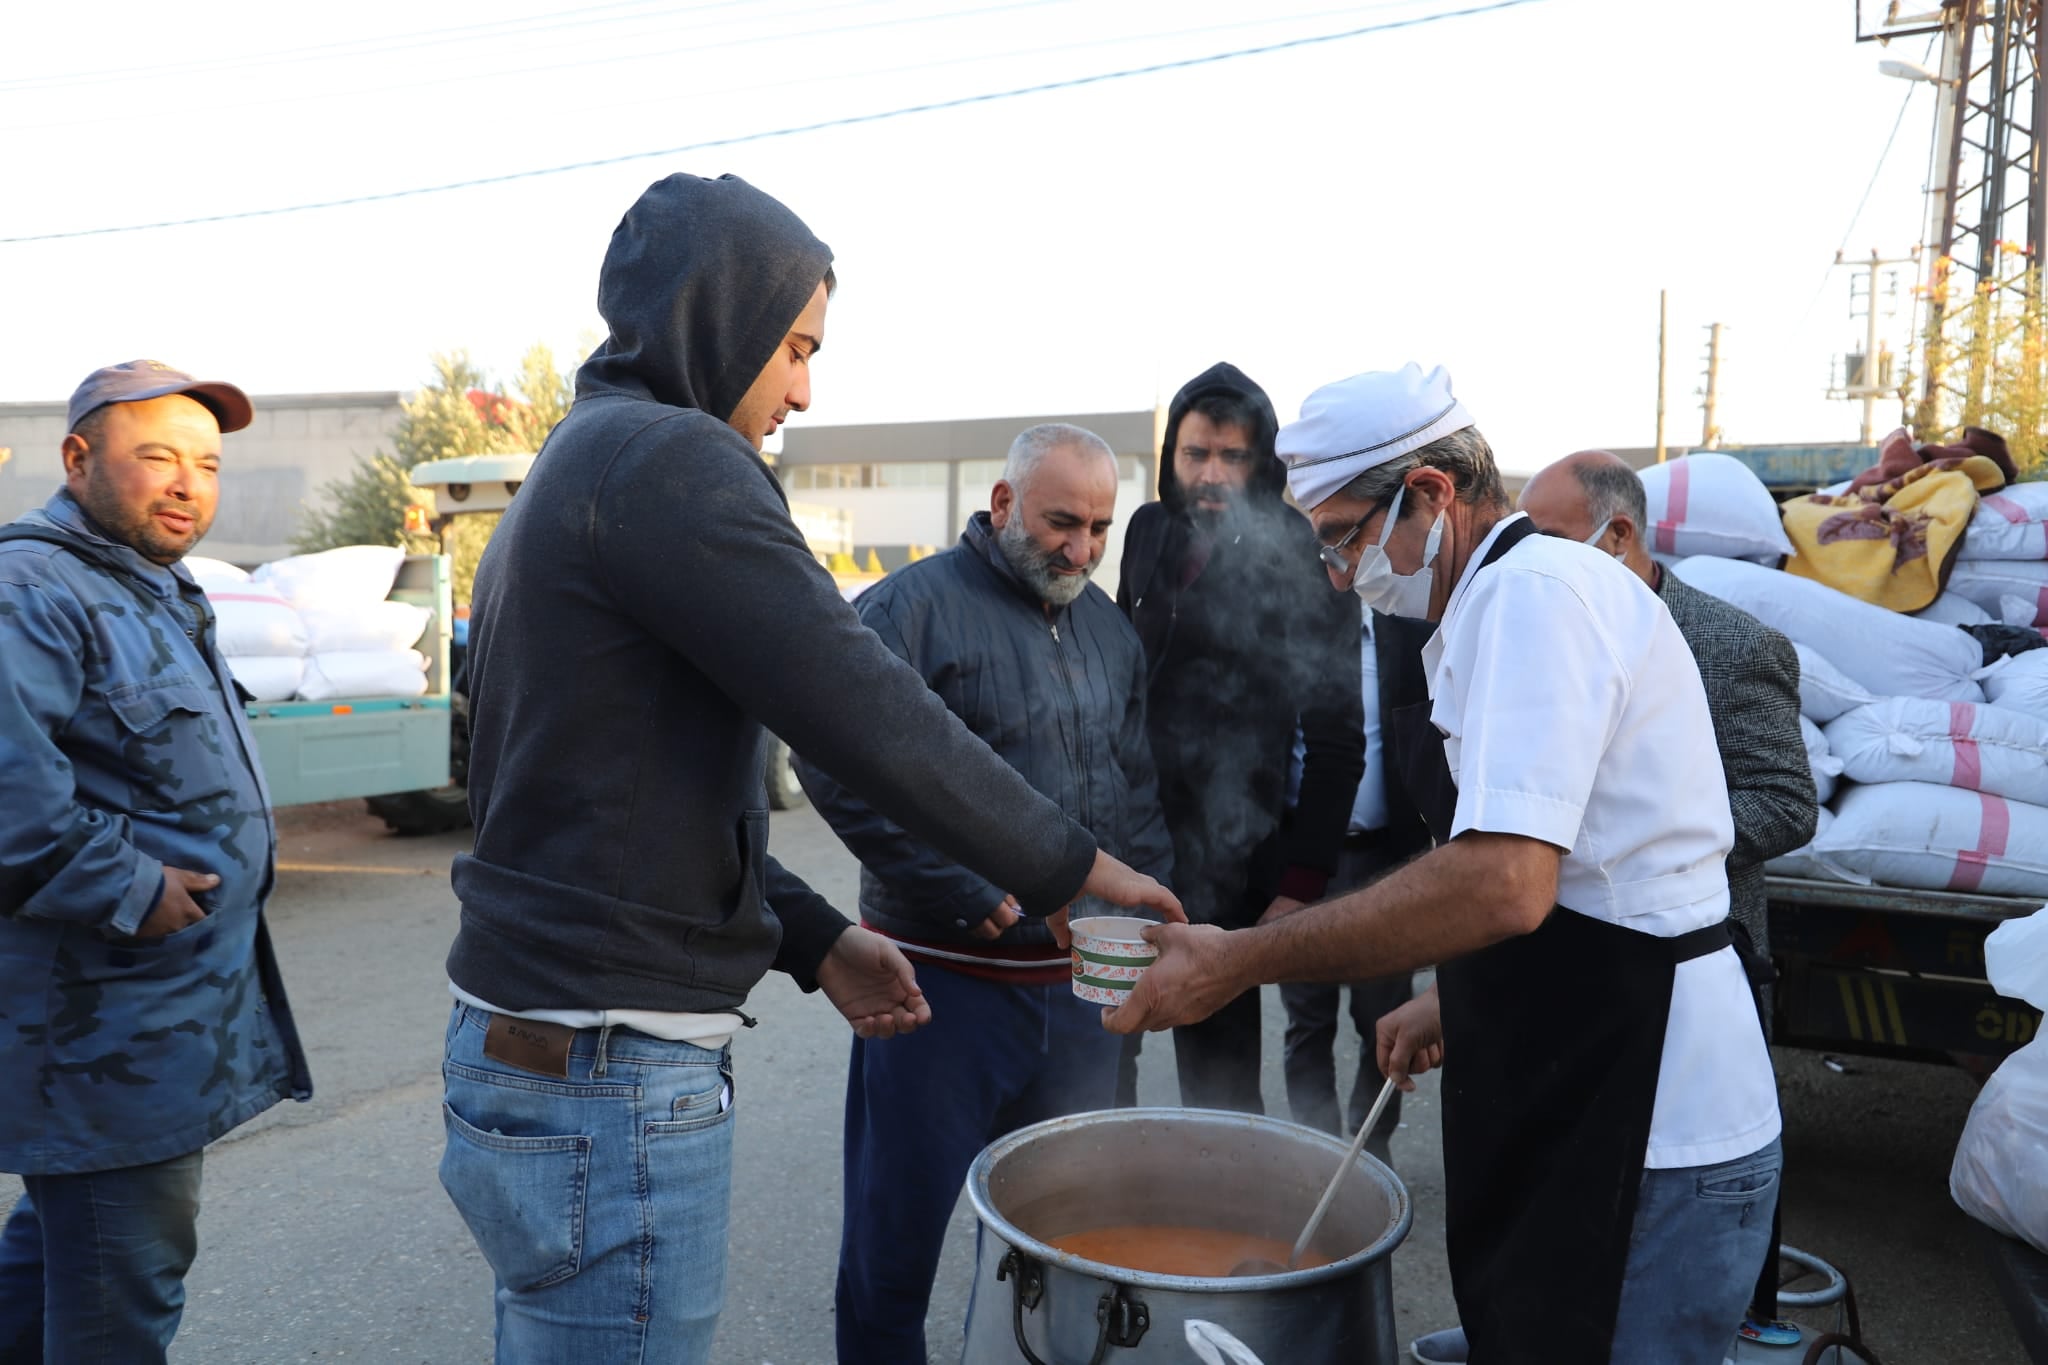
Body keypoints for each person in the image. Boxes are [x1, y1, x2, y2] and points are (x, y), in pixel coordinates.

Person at [438, 173, 1180, 1365]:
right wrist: (1067, 866)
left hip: (554, 1041)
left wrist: (809, 934)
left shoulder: (585, 463)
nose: (802, 389)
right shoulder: (670, 462)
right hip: (608, 1059)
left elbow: (609, 798)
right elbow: (858, 706)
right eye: (792, 346)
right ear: (712, 315)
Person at [1106, 364, 1783, 1365]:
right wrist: (1449, 1001)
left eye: (1340, 537)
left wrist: (1238, 959)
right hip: (1592, 1065)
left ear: (1426, 494)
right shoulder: (1503, 599)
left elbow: (1503, 879)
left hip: (1648, 1124)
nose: (1335, 573)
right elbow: (1583, 864)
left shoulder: (1531, 597)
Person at [800, 423, 1176, 1365]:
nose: (1081, 550)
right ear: (1004, 503)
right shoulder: (907, 611)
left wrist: (1157, 922)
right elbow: (830, 759)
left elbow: (1135, 792)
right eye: (1061, 522)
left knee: (1051, 1249)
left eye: (1099, 527)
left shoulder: (1111, 629)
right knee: (894, 1256)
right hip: (937, 989)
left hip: (1078, 997)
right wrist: (964, 887)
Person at [0, 361, 312, 1363]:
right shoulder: (32, 587)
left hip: (157, 1023)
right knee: (119, 1296)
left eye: (208, 464)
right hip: (100, 1034)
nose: (189, 484)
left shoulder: (155, 586)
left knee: (60, 1254)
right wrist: (131, 887)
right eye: (157, 459)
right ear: (78, 460)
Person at [1517, 448, 1815, 1353]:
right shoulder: (1549, 633)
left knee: (1699, 1182)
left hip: (1700, 959)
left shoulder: (1729, 645)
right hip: (1586, 969)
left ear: (1619, 536)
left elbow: (1788, 800)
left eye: (1554, 542)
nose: (1535, 564)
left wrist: (1660, 843)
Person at [1116, 363, 1362, 1113]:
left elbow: (1336, 735)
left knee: (1218, 1085)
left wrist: (1303, 881)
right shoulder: (1147, 530)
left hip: (1235, 856)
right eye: (1197, 455)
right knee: (1102, 1045)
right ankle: (1101, 1211)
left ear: (1263, 463)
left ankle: (1224, 1218)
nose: (1213, 474)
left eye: (1233, 456)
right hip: (1128, 844)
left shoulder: (1299, 550)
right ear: (1172, 459)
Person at [1278, 601, 1433, 1160]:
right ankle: (1313, 1150)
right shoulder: (1287, 631)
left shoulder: (1408, 635)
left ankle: (1371, 1150)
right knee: (1306, 1021)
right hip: (1301, 870)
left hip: (1383, 862)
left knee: (1384, 1018)